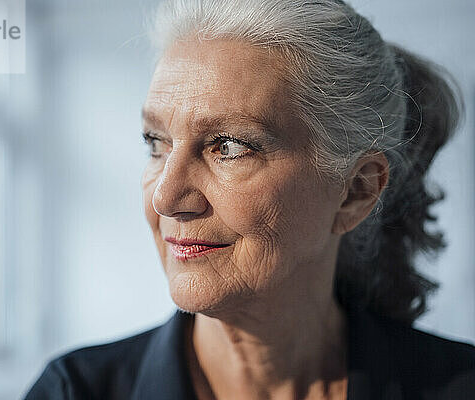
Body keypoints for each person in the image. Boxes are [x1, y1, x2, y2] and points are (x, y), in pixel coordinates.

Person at [24, 0, 475, 399]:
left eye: (229, 146)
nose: (166, 197)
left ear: (355, 192)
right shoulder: (72, 391)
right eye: (156, 142)